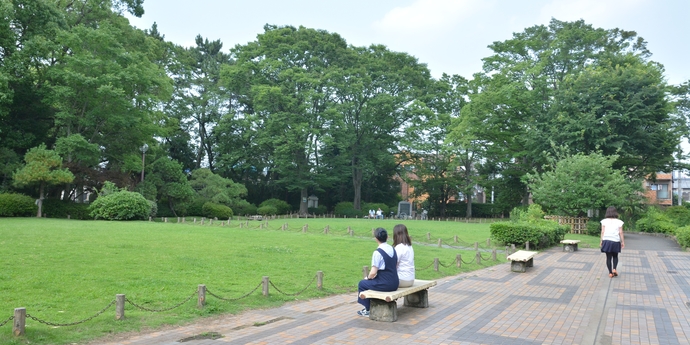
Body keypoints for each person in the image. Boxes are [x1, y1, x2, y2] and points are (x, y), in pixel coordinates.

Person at [357, 228, 399, 316]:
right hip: (395, 282)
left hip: (385, 284)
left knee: (362, 284)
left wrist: (368, 278)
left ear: (376, 238)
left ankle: (368, 309)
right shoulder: (392, 249)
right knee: (370, 282)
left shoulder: (378, 252)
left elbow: (373, 272)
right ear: (387, 237)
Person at [600, 206, 625, 278]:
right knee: (615, 256)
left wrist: (601, 240)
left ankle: (610, 273)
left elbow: (603, 231)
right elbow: (621, 232)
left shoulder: (604, 221)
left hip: (606, 240)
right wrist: (622, 241)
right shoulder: (619, 222)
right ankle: (614, 269)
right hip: (615, 241)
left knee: (608, 257)